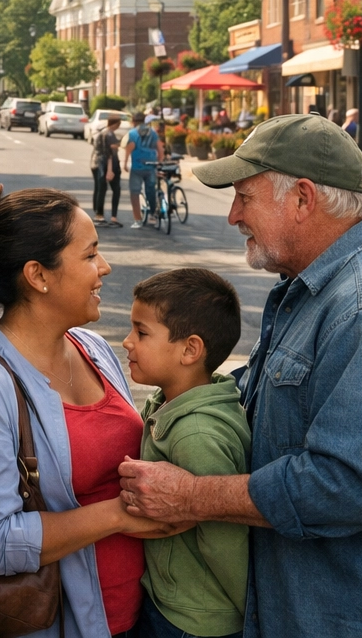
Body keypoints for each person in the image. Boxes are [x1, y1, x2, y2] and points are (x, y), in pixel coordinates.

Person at [118, 114, 362, 638]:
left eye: (245, 196)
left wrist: (193, 496)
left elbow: (345, 486)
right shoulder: (316, 285)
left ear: (303, 199)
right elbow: (261, 400)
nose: (233, 216)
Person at [0, 189, 181, 638]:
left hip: (129, 616)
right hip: (46, 622)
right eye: (91, 255)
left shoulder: (94, 349)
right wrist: (120, 514)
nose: (104, 268)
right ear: (38, 275)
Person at [123, 270, 249, 638]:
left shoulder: (195, 434)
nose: (128, 342)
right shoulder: (169, 403)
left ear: (190, 350)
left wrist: (251, 615)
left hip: (195, 619)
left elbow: (225, 537)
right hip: (174, 602)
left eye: (141, 332)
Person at [123, 114, 164, 227]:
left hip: (137, 166)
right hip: (151, 166)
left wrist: (125, 163)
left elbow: (130, 147)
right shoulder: (153, 133)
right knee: (150, 190)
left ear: (133, 121)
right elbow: (160, 148)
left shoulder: (132, 133)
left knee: (134, 193)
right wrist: (159, 161)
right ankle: (152, 215)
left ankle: (138, 220)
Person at [91, 112, 123, 227]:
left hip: (98, 163)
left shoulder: (106, 133)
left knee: (101, 189)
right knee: (105, 189)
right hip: (103, 164)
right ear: (115, 124)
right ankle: (101, 215)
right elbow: (109, 153)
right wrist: (110, 170)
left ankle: (101, 214)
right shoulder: (108, 134)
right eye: (118, 124)